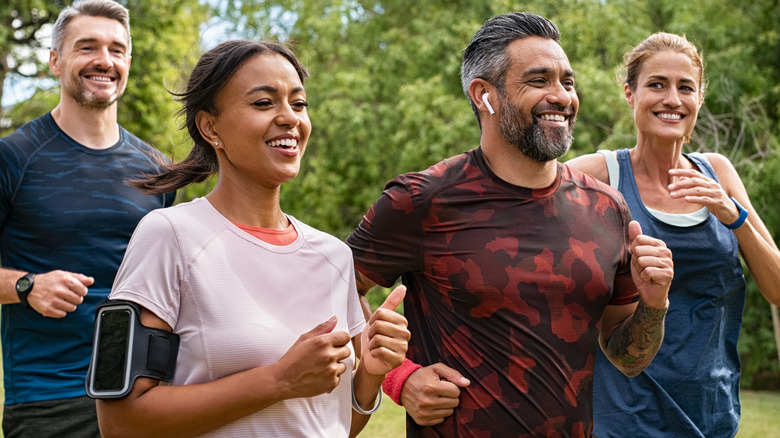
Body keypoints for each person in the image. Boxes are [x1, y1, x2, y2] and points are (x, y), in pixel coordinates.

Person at [347, 12, 675, 436]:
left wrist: (655, 304)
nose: (561, 96)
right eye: (538, 81)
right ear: (485, 95)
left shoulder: (607, 208)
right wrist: (399, 378)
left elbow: (628, 358)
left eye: (568, 82)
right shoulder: (422, 200)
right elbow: (332, 289)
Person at [93, 39, 410, 438]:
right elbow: (120, 421)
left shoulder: (333, 255)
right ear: (211, 127)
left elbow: (333, 425)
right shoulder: (168, 235)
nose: (290, 119)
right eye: (264, 103)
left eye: (299, 104)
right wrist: (279, 380)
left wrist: (371, 374)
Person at [566, 32, 780, 438]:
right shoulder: (598, 175)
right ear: (630, 94)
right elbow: (520, 202)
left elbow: (778, 288)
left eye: (686, 88)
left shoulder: (719, 172)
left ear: (700, 98)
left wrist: (732, 214)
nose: (672, 99)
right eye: (657, 84)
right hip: (622, 417)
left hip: (712, 414)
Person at [0, 1, 176, 436]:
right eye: (88, 47)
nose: (105, 60)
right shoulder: (13, 157)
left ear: (128, 63)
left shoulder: (157, 169)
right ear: (55, 62)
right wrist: (27, 286)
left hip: (144, 392)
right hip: (50, 399)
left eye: (117, 50)